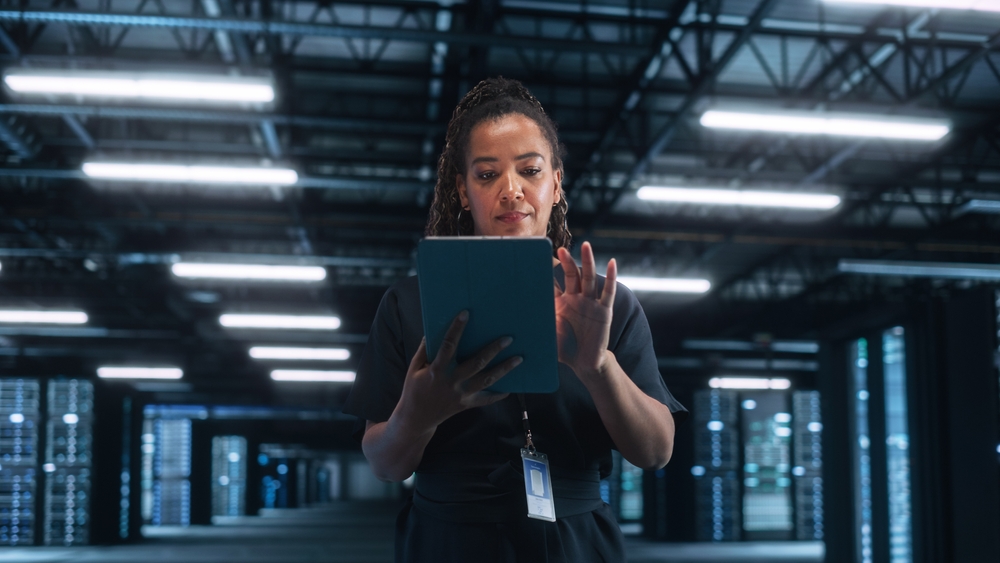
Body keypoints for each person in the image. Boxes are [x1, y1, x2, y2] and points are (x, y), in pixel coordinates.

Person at [343, 77, 687, 562]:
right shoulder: (409, 303)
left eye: (530, 170)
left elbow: (655, 452)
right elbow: (384, 465)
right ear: (462, 191)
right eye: (486, 175)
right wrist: (416, 415)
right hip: (449, 539)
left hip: (576, 542)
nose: (511, 190)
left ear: (555, 182)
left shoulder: (605, 303)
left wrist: (599, 367)